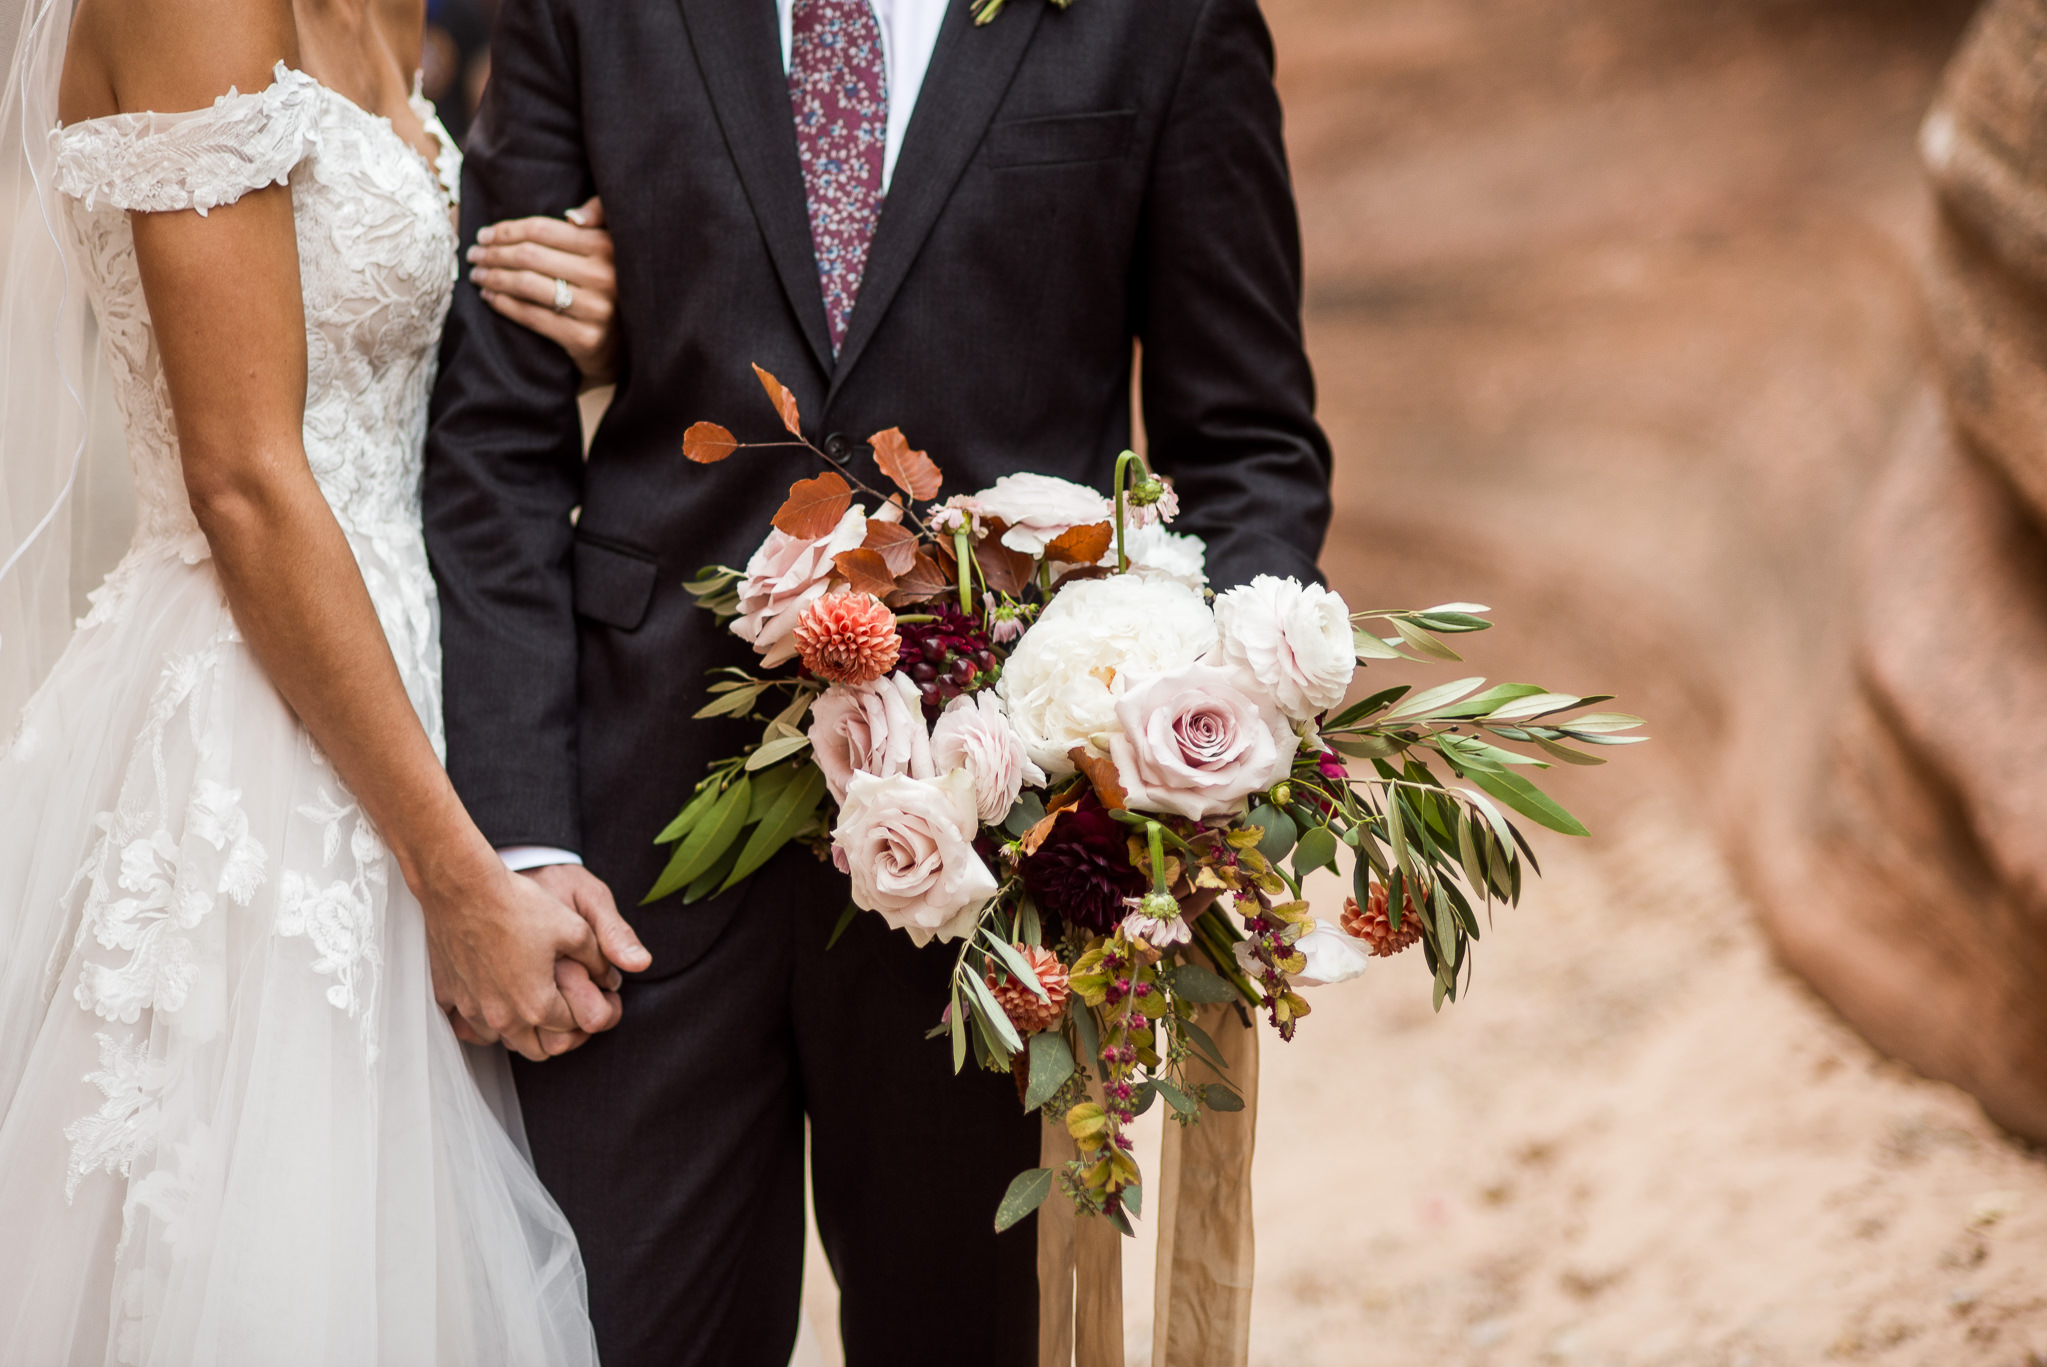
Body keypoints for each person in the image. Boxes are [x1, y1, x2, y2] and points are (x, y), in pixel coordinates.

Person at [426, 0, 1334, 1363]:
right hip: (635, 826)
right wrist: (521, 832)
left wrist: (1185, 735)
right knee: (614, 1329)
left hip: (999, 839)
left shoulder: (1168, 20)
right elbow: (493, 440)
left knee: (962, 1331)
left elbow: (1247, 443)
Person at [0, 0, 627, 1358]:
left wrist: (588, 333)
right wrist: (454, 872)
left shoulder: (397, 9)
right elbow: (244, 483)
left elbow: (400, 368)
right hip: (262, 731)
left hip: (416, 690)